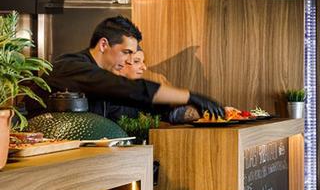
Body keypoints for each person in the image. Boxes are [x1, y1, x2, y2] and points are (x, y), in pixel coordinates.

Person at [30, 16, 223, 121]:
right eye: (125, 52)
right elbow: (127, 89)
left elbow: (137, 102)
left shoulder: (102, 79)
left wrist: (193, 108)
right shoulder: (70, 66)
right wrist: (188, 96)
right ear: (104, 45)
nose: (128, 61)